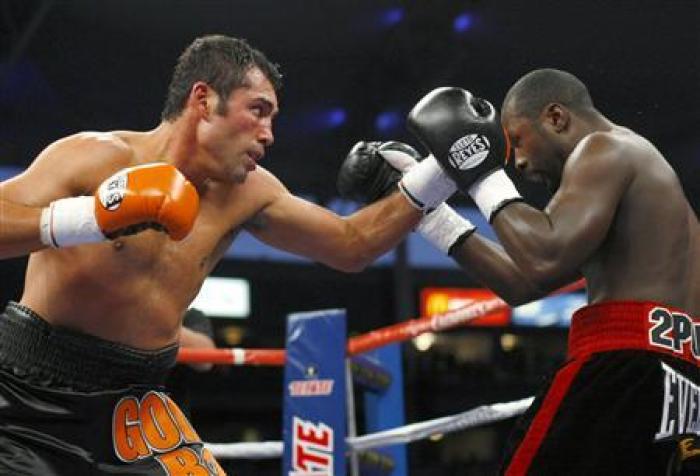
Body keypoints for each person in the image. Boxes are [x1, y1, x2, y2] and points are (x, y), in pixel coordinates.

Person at [0, 34, 431, 475]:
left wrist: (435, 176)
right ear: (203, 100)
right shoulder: (99, 158)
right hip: (25, 398)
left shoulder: (248, 192)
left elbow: (351, 246)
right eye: (258, 111)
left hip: (137, 407)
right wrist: (90, 217)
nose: (268, 134)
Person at [365, 69, 700, 475]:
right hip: (681, 382)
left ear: (556, 117)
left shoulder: (604, 148)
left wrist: (479, 170)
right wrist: (430, 216)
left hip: (623, 366)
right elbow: (524, 281)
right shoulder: (643, 174)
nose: (519, 162)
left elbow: (543, 255)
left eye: (518, 141)